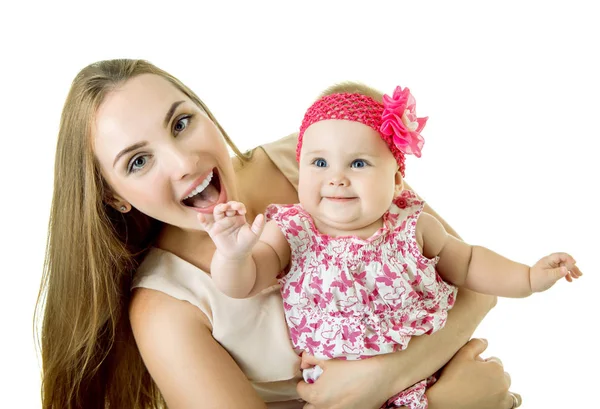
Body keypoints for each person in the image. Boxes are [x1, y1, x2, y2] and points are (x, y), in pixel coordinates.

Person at [36, 58, 524, 409]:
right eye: (139, 161)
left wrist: (388, 375)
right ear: (114, 196)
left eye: (182, 123)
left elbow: (474, 281)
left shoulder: (311, 159)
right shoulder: (167, 307)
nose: (186, 163)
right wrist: (441, 405)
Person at [201, 82, 582, 407]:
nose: (337, 179)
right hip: (342, 391)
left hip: (431, 368)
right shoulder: (291, 232)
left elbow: (468, 264)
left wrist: (529, 277)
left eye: (359, 164)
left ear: (397, 180)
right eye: (319, 164)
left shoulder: (413, 226)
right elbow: (243, 283)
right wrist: (233, 255)